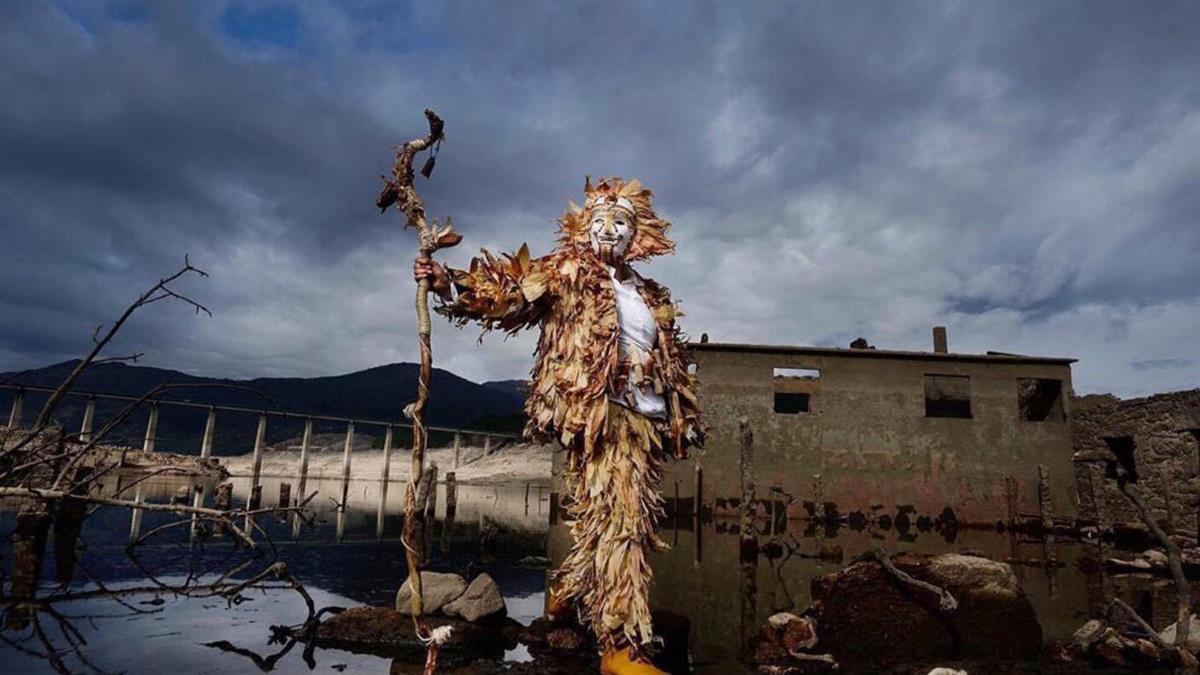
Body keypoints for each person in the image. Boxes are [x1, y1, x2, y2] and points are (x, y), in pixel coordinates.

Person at [414, 176, 704, 674]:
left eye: (621, 224)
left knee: (608, 515)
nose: (610, 231)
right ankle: (617, 644)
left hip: (646, 417)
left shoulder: (649, 292)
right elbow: (511, 292)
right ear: (582, 229)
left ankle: (566, 595)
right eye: (600, 222)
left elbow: (666, 357)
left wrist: (677, 407)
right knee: (622, 522)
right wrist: (452, 282)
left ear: (638, 237)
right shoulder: (566, 271)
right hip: (598, 412)